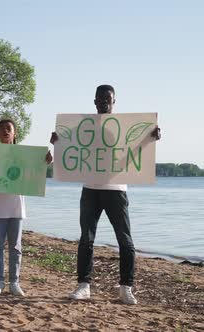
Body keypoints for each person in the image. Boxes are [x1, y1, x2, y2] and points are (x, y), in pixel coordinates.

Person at [50, 84, 161, 305]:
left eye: (107, 99)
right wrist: (58, 141)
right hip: (90, 189)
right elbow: (70, 147)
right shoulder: (83, 128)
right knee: (86, 239)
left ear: (114, 101)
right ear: (94, 101)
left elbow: (136, 147)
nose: (104, 102)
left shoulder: (124, 127)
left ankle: (126, 288)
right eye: (100, 99)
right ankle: (84, 286)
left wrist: (152, 137)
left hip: (116, 190)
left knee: (125, 240)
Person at [0, 119, 52, 297]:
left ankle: (14, 282)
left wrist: (45, 161)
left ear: (15, 132)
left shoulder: (24, 155)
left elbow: (34, 172)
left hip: (16, 208)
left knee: (16, 247)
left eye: (9, 129)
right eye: (2, 129)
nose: (5, 131)